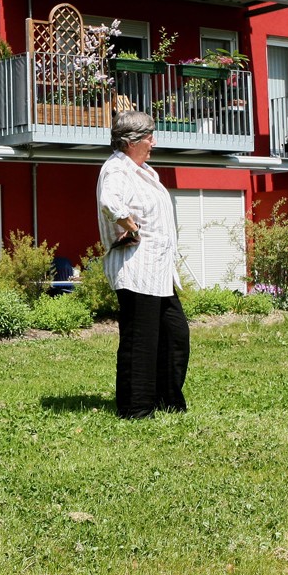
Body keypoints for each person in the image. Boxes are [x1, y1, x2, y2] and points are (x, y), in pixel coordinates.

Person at [96, 110, 189, 419]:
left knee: (175, 336)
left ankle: (168, 400)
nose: (153, 142)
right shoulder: (116, 170)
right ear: (132, 141)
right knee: (141, 343)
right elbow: (111, 202)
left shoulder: (143, 170)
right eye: (150, 137)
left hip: (160, 272)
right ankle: (135, 409)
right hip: (137, 269)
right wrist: (130, 228)